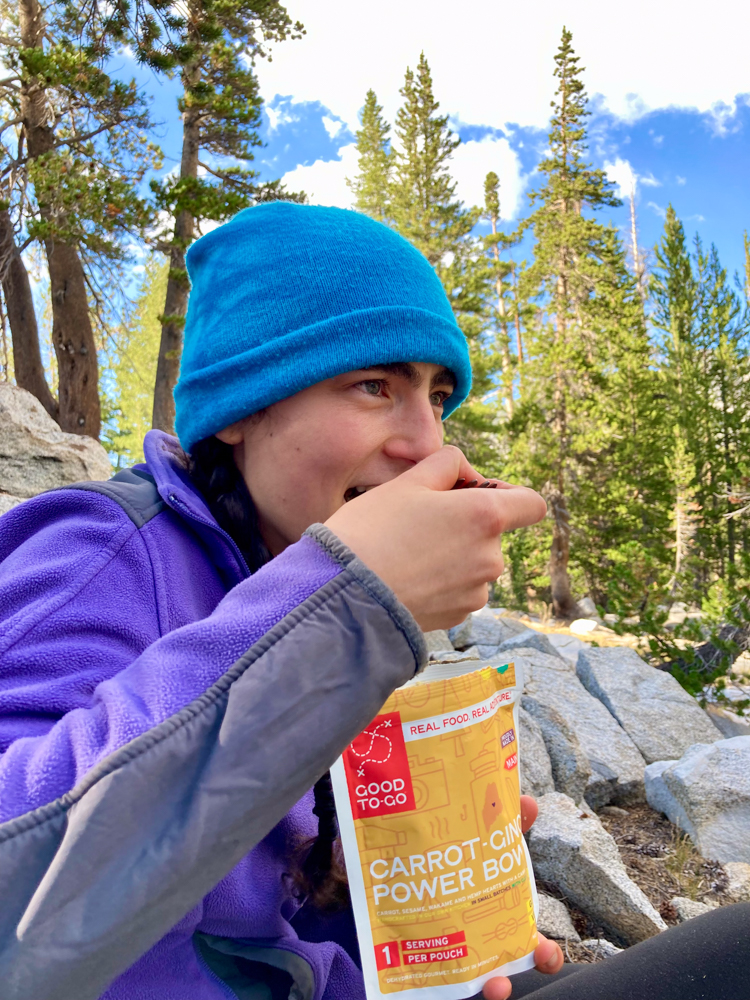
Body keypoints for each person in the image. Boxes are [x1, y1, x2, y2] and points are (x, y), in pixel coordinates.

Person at [0, 204, 747, 1000]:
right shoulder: (102, 550)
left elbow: (235, 923)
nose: (428, 444)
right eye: (373, 384)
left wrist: (362, 891)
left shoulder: (274, 562)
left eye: (437, 395)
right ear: (242, 410)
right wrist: (349, 601)